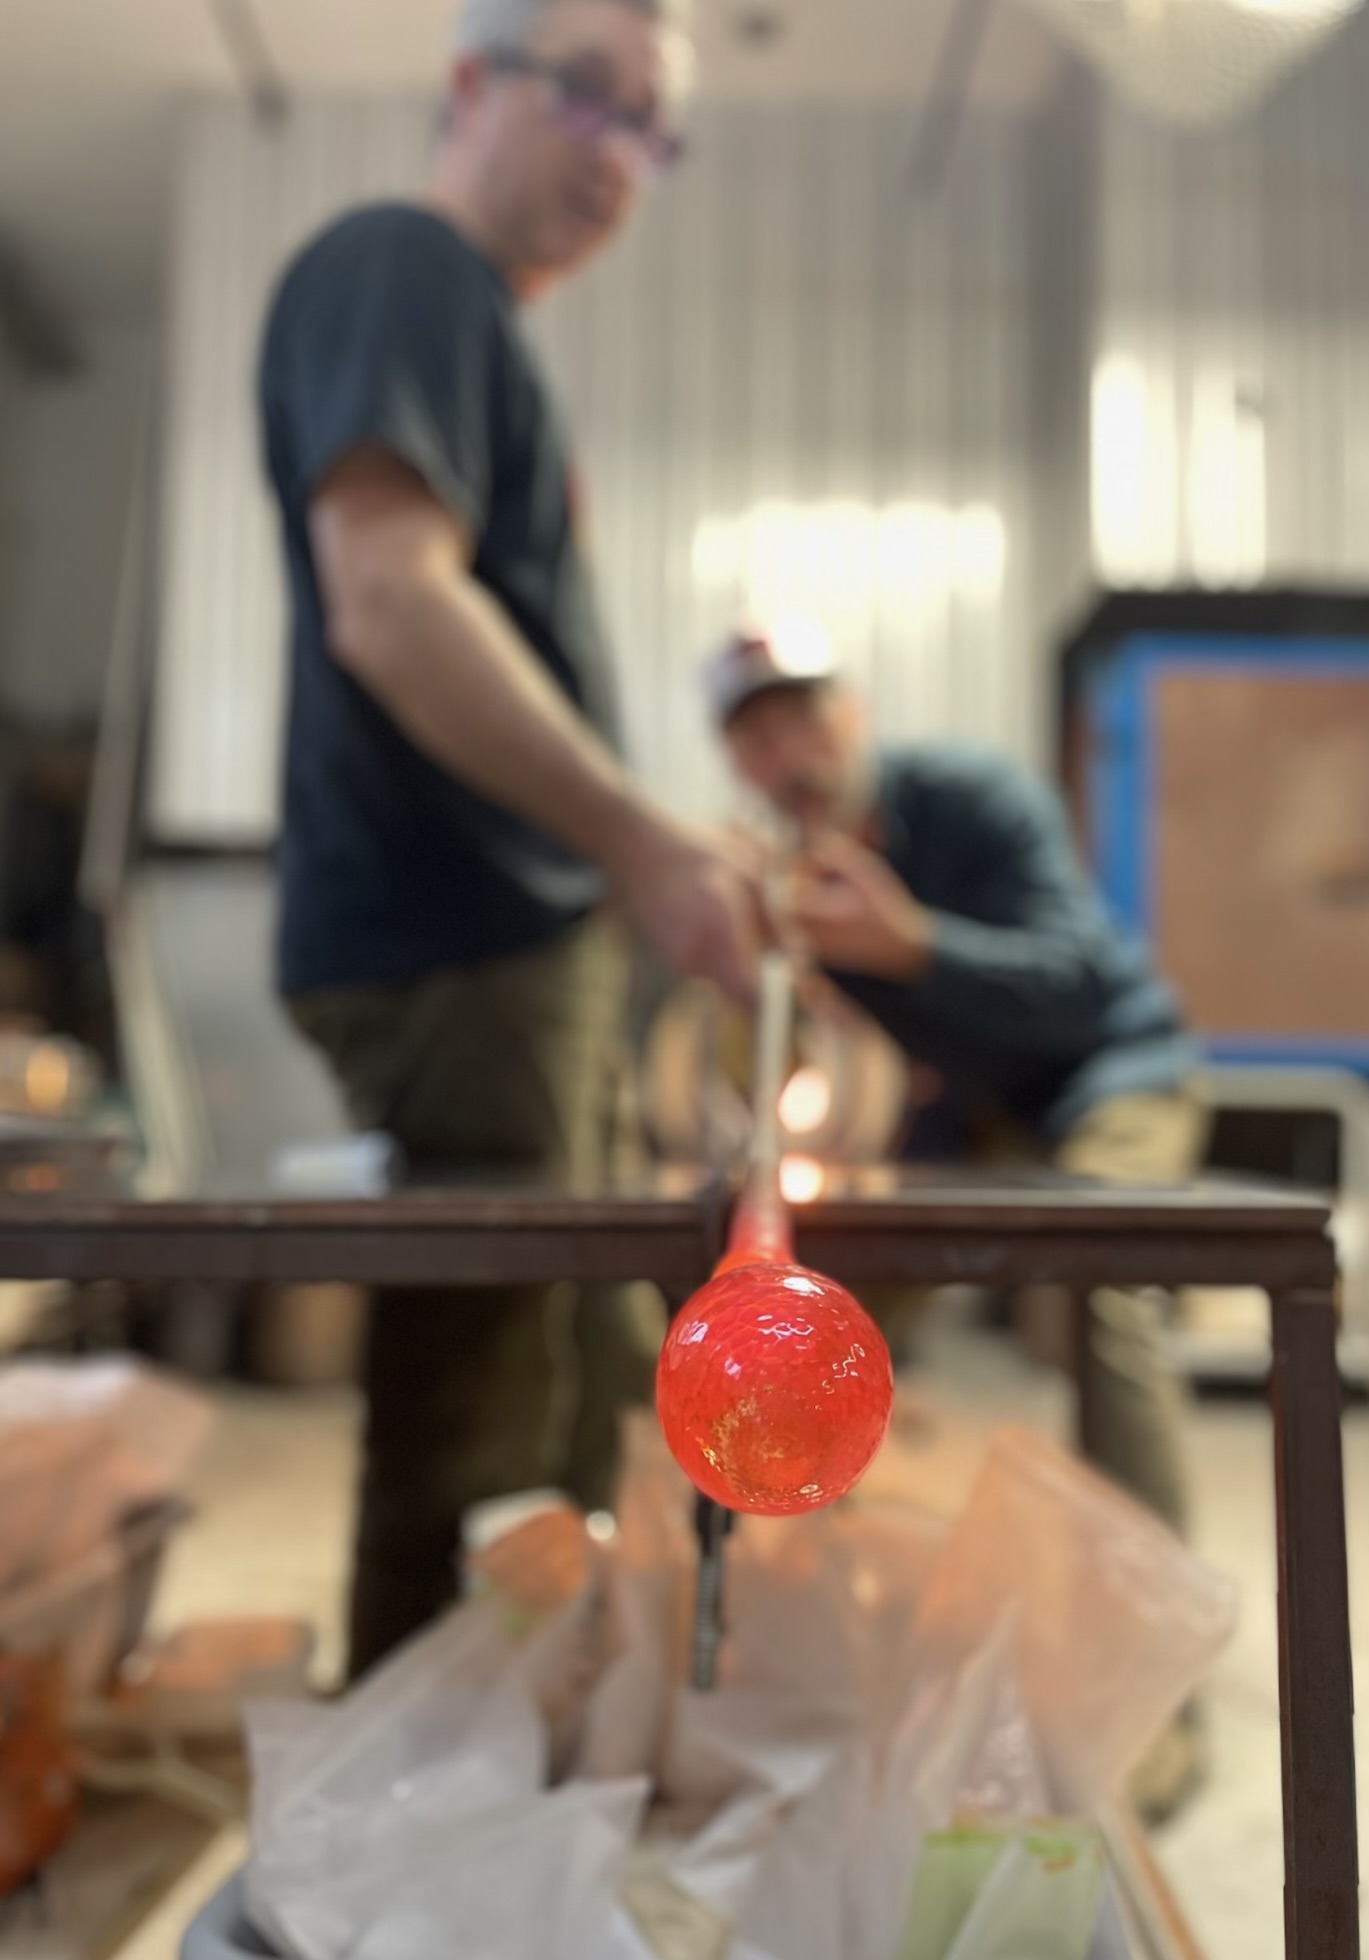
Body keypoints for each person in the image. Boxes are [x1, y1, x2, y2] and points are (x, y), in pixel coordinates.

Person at [258, 0, 762, 1677]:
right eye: (591, 100)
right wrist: (636, 840)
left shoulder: (472, 327)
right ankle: (407, 1865)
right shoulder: (400, 266)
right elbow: (392, 604)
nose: (620, 155)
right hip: (461, 943)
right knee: (487, 1410)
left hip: (510, 944)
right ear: (470, 84)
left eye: (652, 129)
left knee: (577, 1368)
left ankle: (525, 1776)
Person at [706, 622, 1205, 1524]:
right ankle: (793, 1566)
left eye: (805, 726)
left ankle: (1155, 1606)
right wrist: (740, 965)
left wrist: (912, 946)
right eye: (758, 742)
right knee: (806, 1304)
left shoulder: (976, 798)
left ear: (854, 716)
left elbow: (1081, 983)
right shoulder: (789, 887)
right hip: (966, 1116)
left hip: (1112, 1074)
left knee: (1103, 1278)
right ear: (736, 768)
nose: (791, 762)